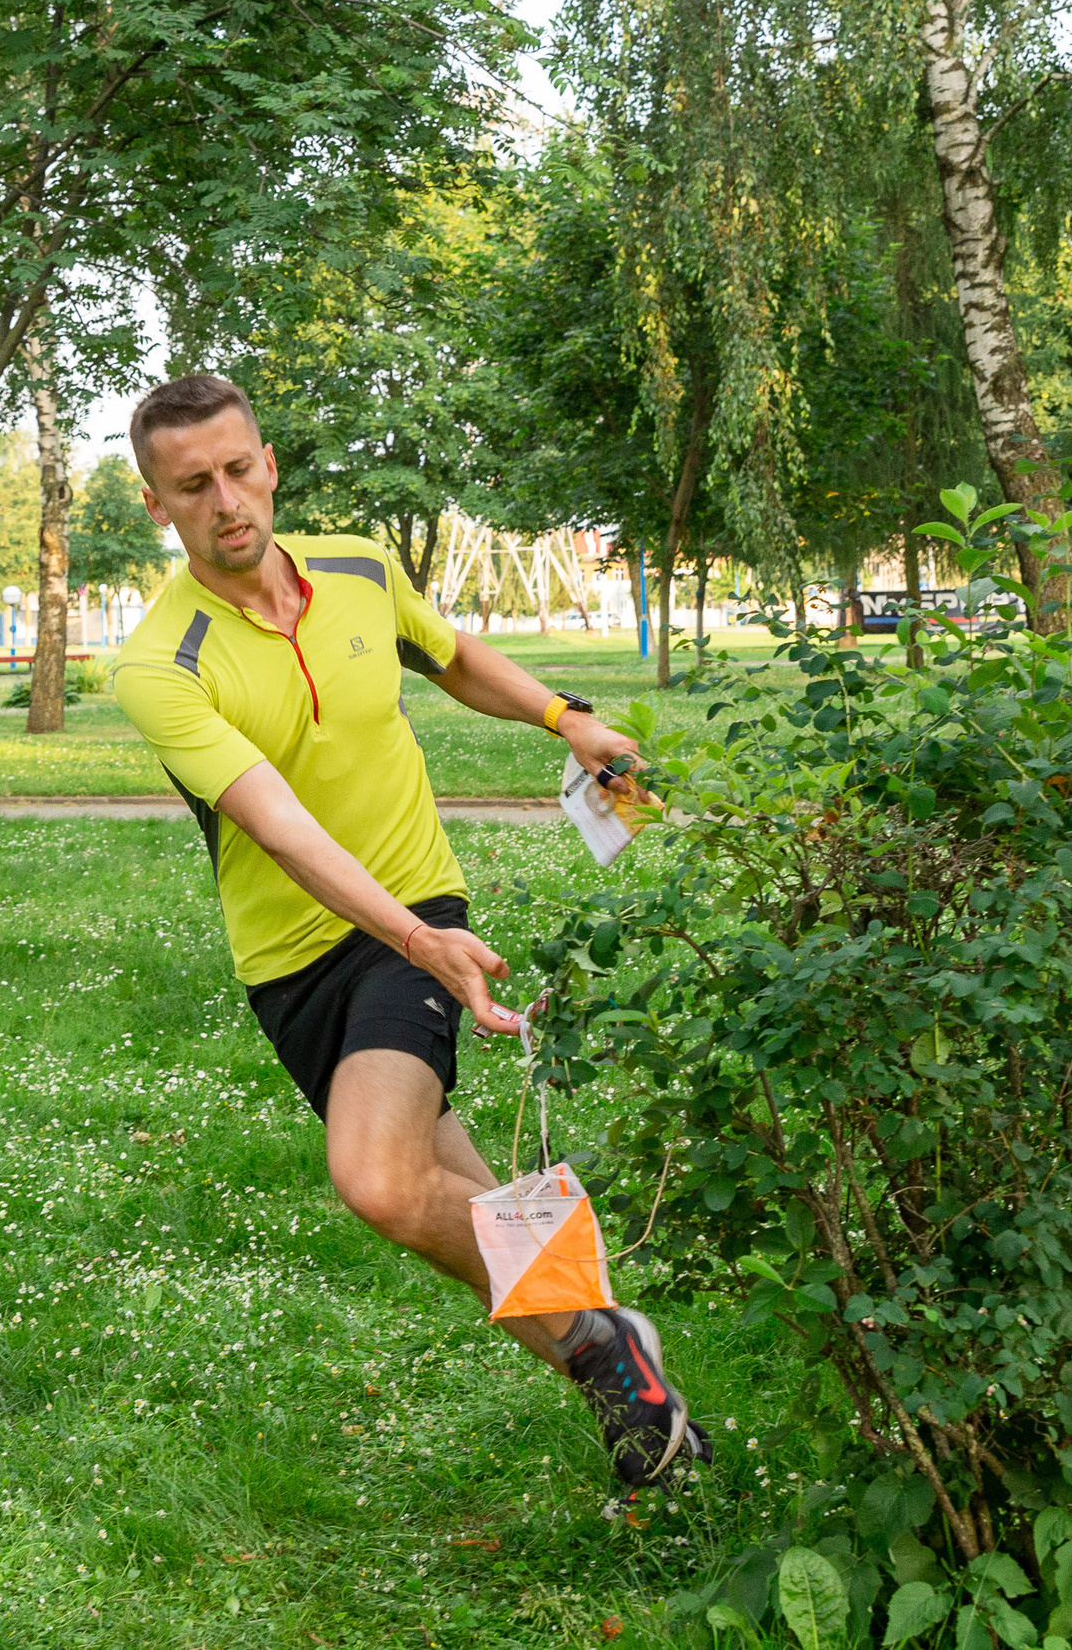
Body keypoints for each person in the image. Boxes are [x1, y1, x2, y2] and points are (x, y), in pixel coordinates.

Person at [110, 374, 714, 1488]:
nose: (226, 500)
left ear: (270, 463)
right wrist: (406, 941)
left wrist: (565, 718)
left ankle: (601, 1348)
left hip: (414, 905)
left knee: (382, 1184)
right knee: (469, 1208)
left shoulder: (356, 569)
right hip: (289, 963)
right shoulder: (160, 663)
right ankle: (645, 1413)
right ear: (158, 505)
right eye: (192, 486)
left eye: (239, 469)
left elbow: (451, 656)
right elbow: (279, 828)